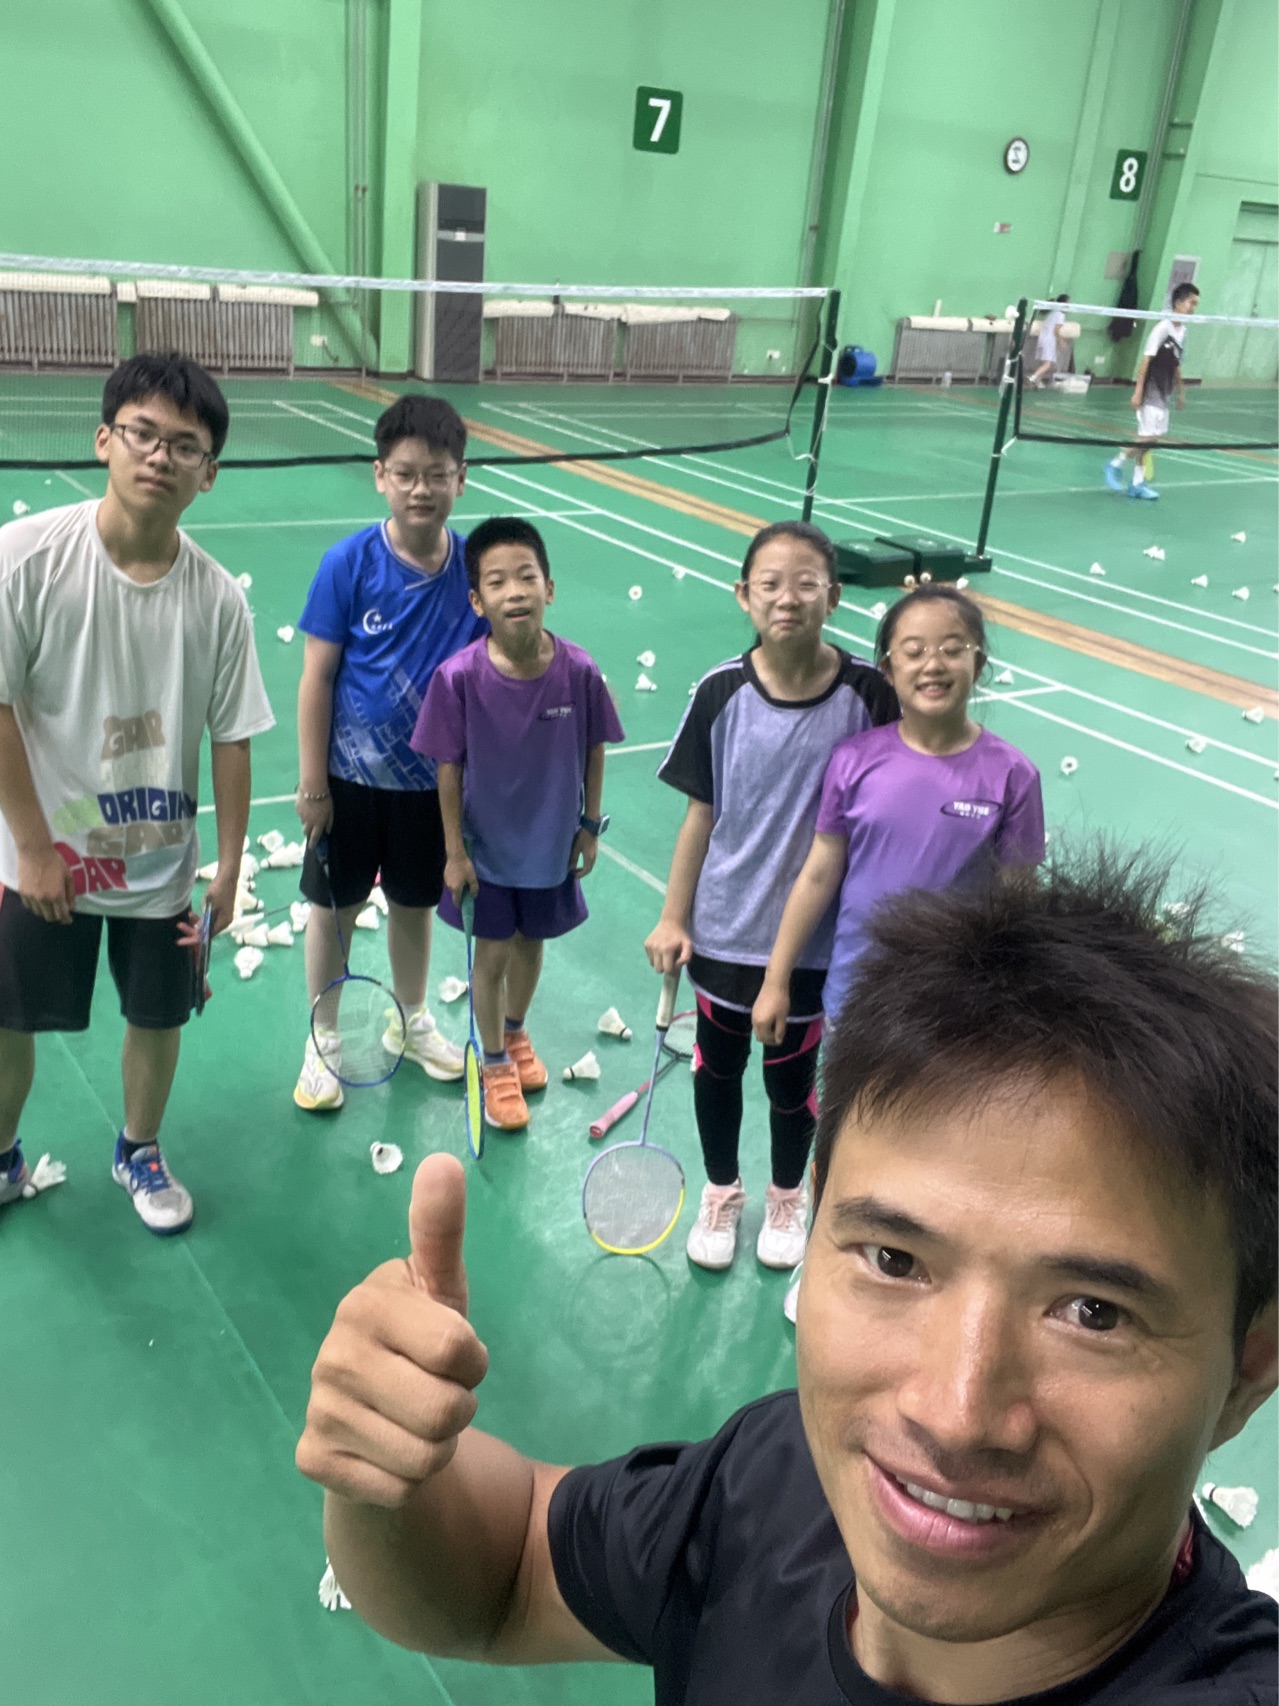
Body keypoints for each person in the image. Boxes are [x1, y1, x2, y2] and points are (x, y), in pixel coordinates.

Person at [296, 851, 1278, 1702]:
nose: (954, 1414)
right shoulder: (779, 1475)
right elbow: (510, 1572)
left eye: (1093, 1313)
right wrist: (385, 1474)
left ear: (1250, 1367)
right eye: (894, 1259)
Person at [0, 352, 273, 1233]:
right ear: (103, 440)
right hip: (44, 856)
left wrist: (229, 866)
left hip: (160, 868)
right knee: (8, 1017)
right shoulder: (25, 559)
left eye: (184, 445)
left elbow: (232, 737)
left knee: (159, 1017)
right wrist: (34, 849)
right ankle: (1, 1156)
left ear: (209, 473)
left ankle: (139, 1148)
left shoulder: (218, 599)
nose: (160, 456)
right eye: (142, 434)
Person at [644, 521, 897, 1275]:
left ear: (834, 596)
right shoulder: (721, 692)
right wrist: (672, 915)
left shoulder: (869, 695)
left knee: (791, 1082)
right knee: (716, 1069)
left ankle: (787, 1195)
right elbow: (701, 814)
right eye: (770, 584)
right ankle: (721, 1190)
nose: (788, 598)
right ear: (743, 596)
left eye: (806, 583)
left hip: (818, 942)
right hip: (726, 928)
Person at [292, 395, 482, 1112]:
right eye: (405, 474)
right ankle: (323, 1038)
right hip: (349, 781)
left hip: (432, 785)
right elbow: (317, 678)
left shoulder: (474, 572)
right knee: (332, 908)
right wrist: (313, 783)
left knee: (413, 905)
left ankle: (410, 1020)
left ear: (461, 478)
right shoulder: (348, 563)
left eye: (436, 474)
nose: (420, 489)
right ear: (380, 476)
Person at [753, 584, 1044, 1048]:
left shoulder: (1013, 776)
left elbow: (1019, 904)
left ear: (978, 665)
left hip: (956, 1006)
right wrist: (776, 980)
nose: (933, 665)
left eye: (952, 649)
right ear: (888, 670)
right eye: (914, 651)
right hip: (856, 995)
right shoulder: (853, 760)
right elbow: (819, 873)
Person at [410, 517, 624, 1132]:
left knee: (532, 945)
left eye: (526, 577)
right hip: (488, 850)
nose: (515, 592)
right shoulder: (458, 678)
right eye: (497, 582)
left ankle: (514, 1029)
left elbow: (595, 747)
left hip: (550, 843)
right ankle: (494, 1061)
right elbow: (447, 769)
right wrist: (454, 852)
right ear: (477, 601)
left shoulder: (579, 671)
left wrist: (589, 824)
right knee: (493, 954)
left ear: (549, 588)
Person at [1104, 282, 1200, 501]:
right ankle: (1115, 463)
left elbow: (1176, 363)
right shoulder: (1162, 328)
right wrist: (1138, 391)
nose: (1193, 308)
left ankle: (1137, 484)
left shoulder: (1183, 332)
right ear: (1178, 303)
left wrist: (1181, 390)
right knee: (1149, 437)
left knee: (1150, 439)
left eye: (1196, 304)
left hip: (1165, 392)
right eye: (1191, 303)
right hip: (1151, 390)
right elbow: (1145, 360)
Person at [1025, 292, 1070, 388]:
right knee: (1047, 364)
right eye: (1068, 303)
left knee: (1045, 363)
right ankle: (1032, 378)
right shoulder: (1060, 315)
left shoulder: (1053, 313)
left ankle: (1038, 382)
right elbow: (1056, 331)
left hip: (1043, 338)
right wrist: (1061, 341)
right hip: (1048, 340)